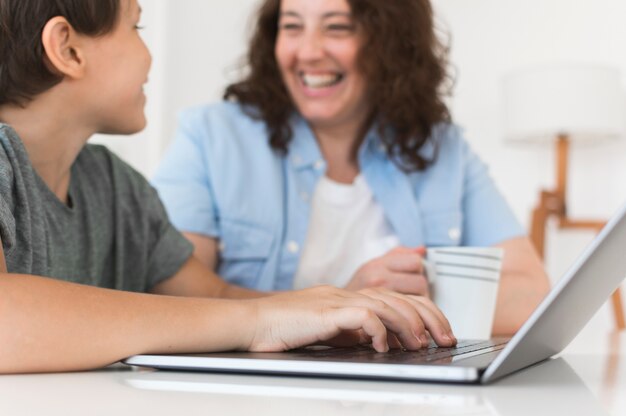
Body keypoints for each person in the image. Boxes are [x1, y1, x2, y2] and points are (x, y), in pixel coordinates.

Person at [0, 0, 457, 374]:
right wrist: (258, 320)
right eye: (135, 26)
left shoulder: (118, 188)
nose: (149, 55)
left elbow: (214, 299)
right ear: (68, 49)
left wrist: (328, 311)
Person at [153, 0, 551, 337]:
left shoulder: (444, 149)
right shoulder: (211, 137)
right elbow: (171, 298)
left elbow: (532, 294)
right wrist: (341, 305)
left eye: (337, 27)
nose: (307, 52)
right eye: (292, 27)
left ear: (389, 41)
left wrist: (409, 304)